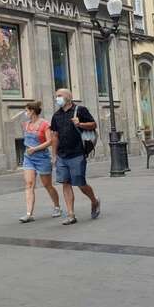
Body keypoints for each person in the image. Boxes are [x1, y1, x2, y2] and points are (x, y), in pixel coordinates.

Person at [50, 88, 100, 226]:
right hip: (62, 155)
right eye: (56, 96)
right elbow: (54, 136)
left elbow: (94, 124)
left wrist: (80, 124)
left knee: (80, 183)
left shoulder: (80, 110)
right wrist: (54, 155)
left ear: (68, 97)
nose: (57, 98)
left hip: (77, 153)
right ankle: (71, 214)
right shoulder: (56, 116)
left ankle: (94, 201)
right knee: (65, 183)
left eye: (59, 96)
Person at [18, 101, 61, 223]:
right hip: (28, 157)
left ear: (32, 111)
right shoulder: (26, 124)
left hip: (42, 157)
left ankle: (57, 206)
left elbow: (50, 141)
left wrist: (35, 149)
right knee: (29, 184)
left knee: (47, 185)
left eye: (26, 110)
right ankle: (28, 214)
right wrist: (30, 150)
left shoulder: (45, 124)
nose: (25, 113)